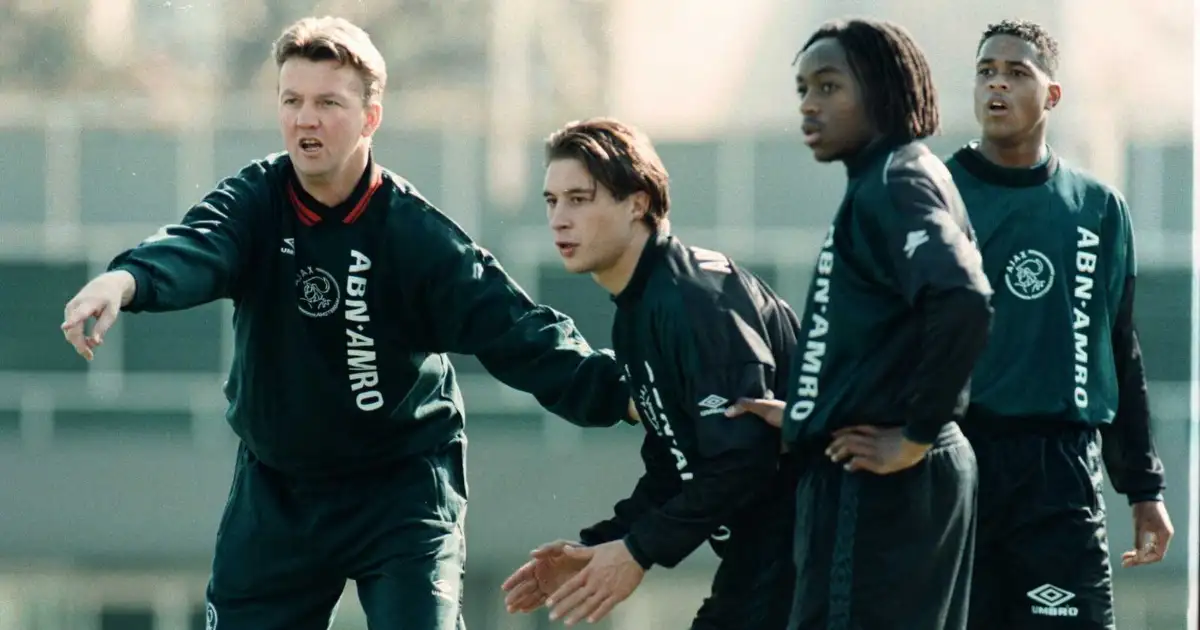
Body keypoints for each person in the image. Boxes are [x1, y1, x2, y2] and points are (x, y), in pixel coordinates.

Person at [59, 16, 633, 630]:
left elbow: (517, 329)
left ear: (370, 117)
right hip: (280, 491)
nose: (306, 119)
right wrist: (123, 280)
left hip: (401, 488)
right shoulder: (257, 201)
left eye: (328, 102)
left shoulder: (415, 236)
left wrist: (629, 395)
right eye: (292, 101)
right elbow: (198, 244)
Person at [726, 18, 994, 630]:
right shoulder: (892, 178)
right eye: (801, 90)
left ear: (881, 88)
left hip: (880, 484)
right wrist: (807, 410)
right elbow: (884, 334)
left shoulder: (896, 183)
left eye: (828, 87)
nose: (809, 106)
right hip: (885, 475)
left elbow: (962, 299)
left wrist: (917, 433)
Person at [499, 118, 801, 628]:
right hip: (771, 558)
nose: (559, 219)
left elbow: (744, 459)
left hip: (818, 553)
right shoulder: (640, 309)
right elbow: (676, 465)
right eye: (552, 201)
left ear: (637, 203)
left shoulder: (695, 302)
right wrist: (603, 545)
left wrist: (638, 550)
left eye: (579, 198)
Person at [944, 20, 1173, 629]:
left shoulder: (1097, 208)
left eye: (1017, 73)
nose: (997, 84)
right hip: (954, 465)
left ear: (1051, 95)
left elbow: (1120, 347)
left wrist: (1144, 488)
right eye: (986, 70)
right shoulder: (934, 194)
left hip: (1060, 476)